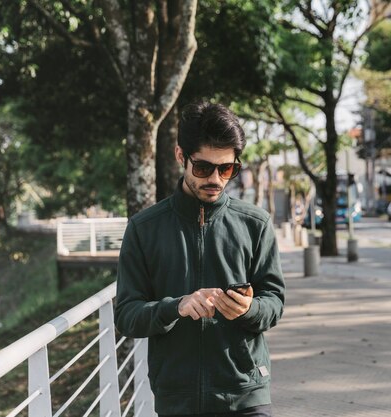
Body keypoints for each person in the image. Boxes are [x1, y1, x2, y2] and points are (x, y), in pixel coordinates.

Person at [115, 102, 285, 417]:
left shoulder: (255, 223)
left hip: (247, 393)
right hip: (177, 400)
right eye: (203, 168)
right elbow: (126, 315)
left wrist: (250, 309)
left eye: (227, 169)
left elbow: (274, 303)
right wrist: (175, 307)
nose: (216, 179)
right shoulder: (144, 229)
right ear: (182, 156)